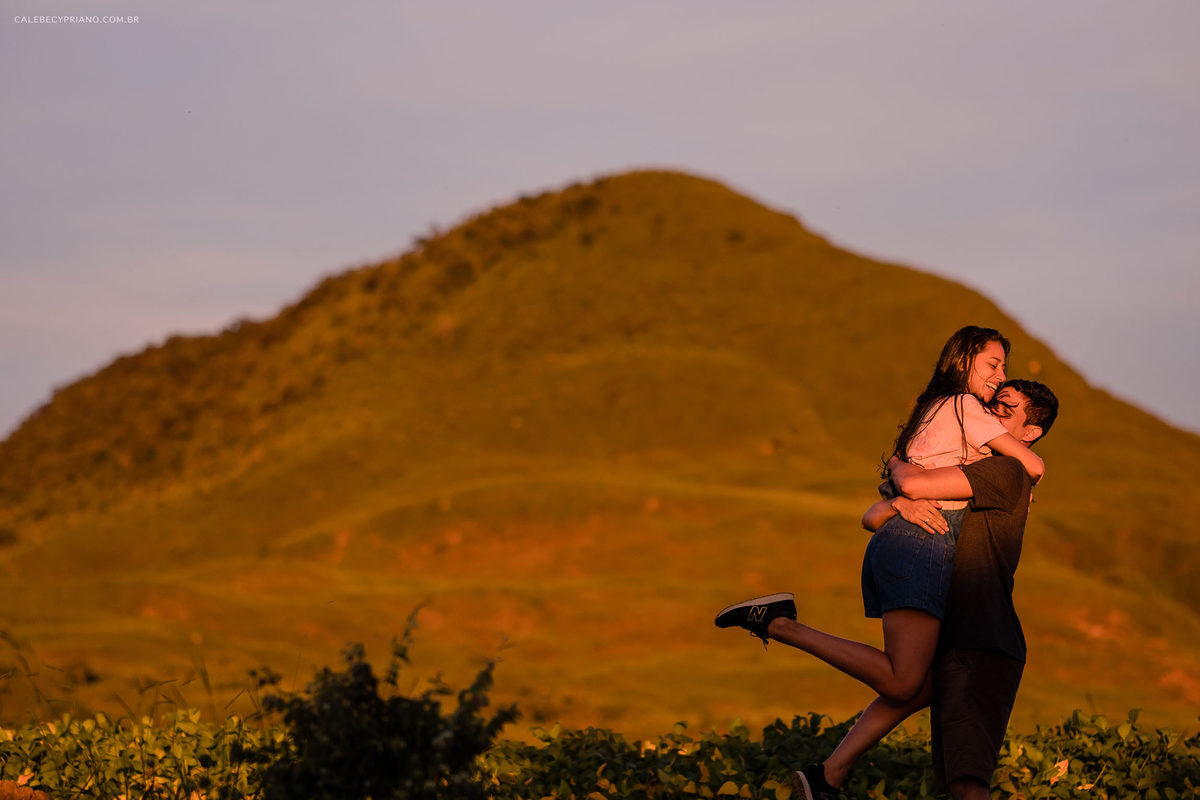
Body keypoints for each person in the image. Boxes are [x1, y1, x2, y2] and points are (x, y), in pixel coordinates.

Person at [719, 380, 1058, 800]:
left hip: (981, 640)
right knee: (915, 697)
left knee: (967, 783)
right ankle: (828, 776)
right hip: (955, 639)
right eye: (991, 407)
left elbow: (913, 486)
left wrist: (899, 466)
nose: (991, 415)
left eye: (1005, 410)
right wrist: (900, 503)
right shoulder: (978, 465)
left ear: (1030, 433)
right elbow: (875, 514)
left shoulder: (1006, 470)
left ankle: (785, 634)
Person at [717, 326, 1042, 708]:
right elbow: (1033, 466)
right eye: (993, 364)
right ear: (964, 359)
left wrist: (900, 493)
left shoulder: (933, 411)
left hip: (901, 544)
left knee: (921, 682)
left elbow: (873, 515)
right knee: (903, 682)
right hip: (923, 547)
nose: (1001, 375)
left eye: (1004, 367)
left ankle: (830, 770)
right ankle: (778, 623)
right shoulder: (964, 406)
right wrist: (1018, 485)